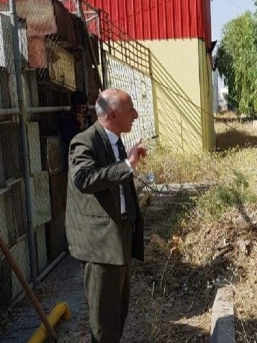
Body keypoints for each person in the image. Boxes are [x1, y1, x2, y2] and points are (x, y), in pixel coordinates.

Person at [65, 88, 146, 342]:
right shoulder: (84, 141)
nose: (135, 114)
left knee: (118, 313)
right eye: (130, 109)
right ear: (113, 114)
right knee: (103, 323)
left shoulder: (115, 141)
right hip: (99, 244)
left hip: (120, 233)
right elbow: (83, 178)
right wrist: (126, 165)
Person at [60, 91, 92, 170]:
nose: (81, 111)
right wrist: (79, 127)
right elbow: (70, 139)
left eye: (83, 108)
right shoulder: (67, 119)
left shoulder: (88, 119)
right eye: (78, 108)